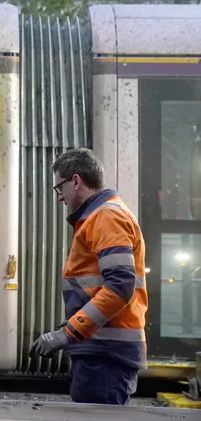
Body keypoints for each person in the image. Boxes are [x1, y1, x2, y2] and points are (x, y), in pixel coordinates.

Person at [30, 148, 148, 405]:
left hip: (106, 354)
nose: (59, 197)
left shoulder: (106, 216)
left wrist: (68, 333)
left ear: (76, 181)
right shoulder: (102, 216)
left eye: (59, 187)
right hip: (102, 350)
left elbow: (120, 286)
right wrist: (67, 329)